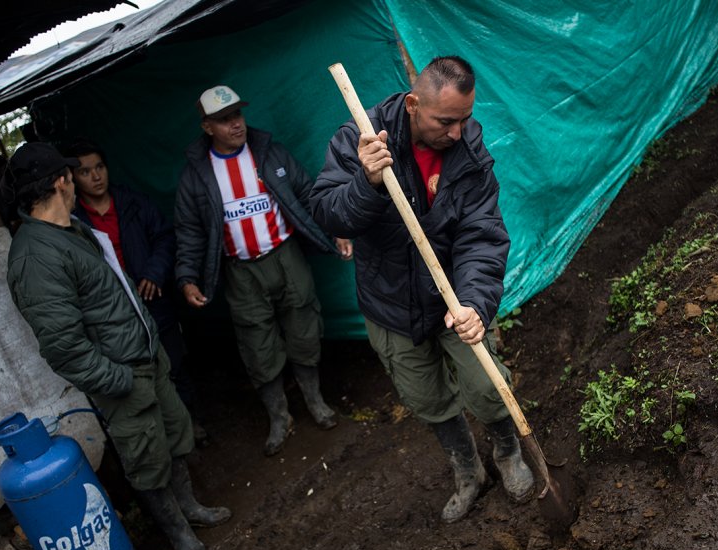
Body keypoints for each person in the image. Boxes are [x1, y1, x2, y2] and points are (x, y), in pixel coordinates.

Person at [309, 56, 534, 523]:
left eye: (466, 118)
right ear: (413, 104)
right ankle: (467, 470)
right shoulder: (360, 136)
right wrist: (366, 183)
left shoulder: (468, 149)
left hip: (454, 294)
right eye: (446, 121)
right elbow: (329, 214)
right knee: (427, 399)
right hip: (390, 303)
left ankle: (508, 452)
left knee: (487, 387)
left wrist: (474, 302)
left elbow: (482, 233)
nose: (457, 132)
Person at [1, 142, 230, 550]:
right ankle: (178, 533)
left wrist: (150, 347)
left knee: (175, 437)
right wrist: (119, 380)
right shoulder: (36, 255)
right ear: (60, 182)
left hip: (148, 357)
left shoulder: (71, 229)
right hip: (123, 376)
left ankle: (191, 509)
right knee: (146, 459)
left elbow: (113, 295)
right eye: (71, 175)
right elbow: (63, 347)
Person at [174, 84, 353, 457]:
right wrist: (187, 276)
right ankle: (279, 417)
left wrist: (335, 230)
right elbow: (189, 230)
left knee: (304, 326)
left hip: (286, 255)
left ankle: (316, 403)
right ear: (207, 127)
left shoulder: (269, 152)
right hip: (241, 271)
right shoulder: (196, 174)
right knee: (257, 344)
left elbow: (307, 192)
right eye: (224, 120)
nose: (235, 124)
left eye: (237, 114)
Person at [62, 139, 207, 444]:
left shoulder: (132, 202)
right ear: (73, 178)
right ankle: (165, 437)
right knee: (140, 377)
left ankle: (192, 425)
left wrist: (154, 272)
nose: (96, 176)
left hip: (154, 301)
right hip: (117, 315)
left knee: (175, 366)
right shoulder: (74, 223)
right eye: (86, 172)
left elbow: (165, 238)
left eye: (99, 167)